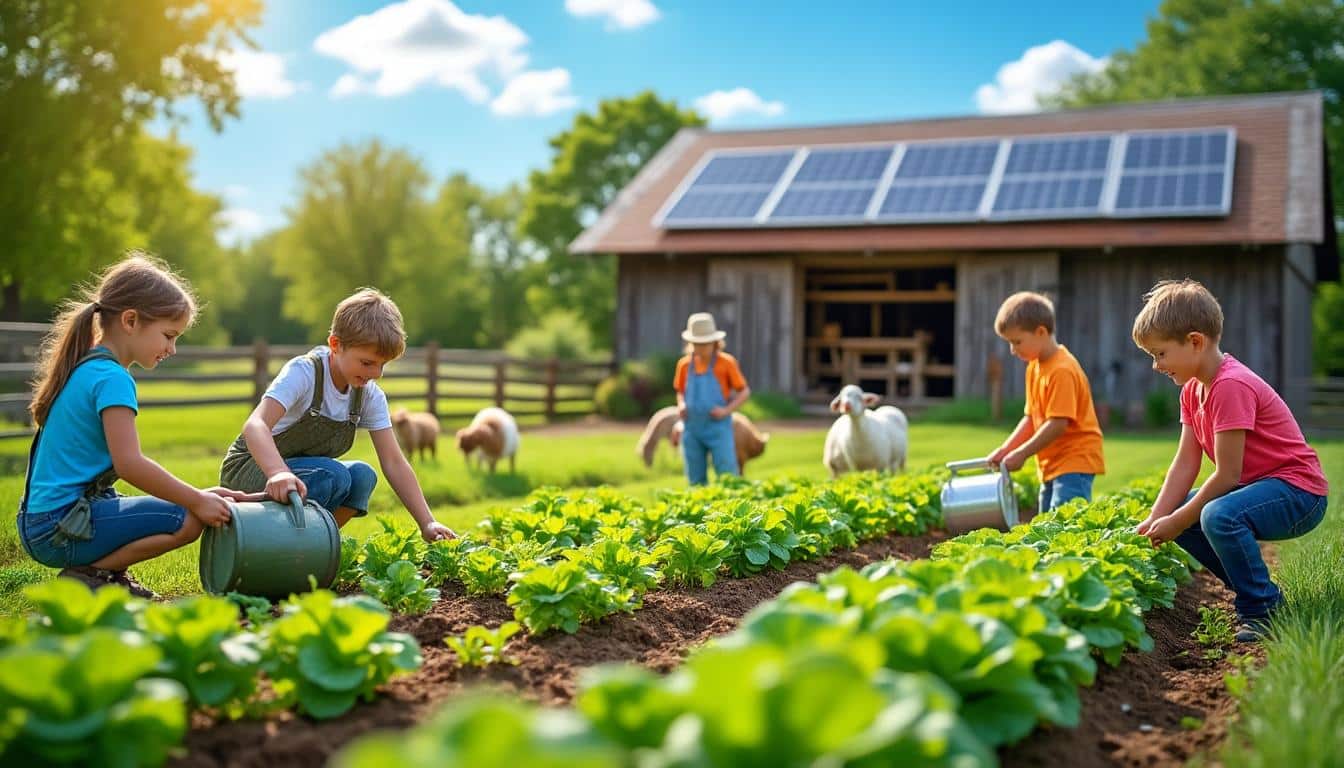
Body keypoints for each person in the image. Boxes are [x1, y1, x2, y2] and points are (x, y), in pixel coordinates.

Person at [17, 254, 255, 598]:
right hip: (59, 526)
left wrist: (200, 495)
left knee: (189, 507)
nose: (172, 349)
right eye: (168, 335)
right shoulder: (112, 378)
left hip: (43, 522)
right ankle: (94, 577)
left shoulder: (87, 365)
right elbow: (130, 465)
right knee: (188, 520)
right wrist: (197, 501)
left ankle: (102, 575)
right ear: (130, 320)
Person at [1132, 279, 1327, 642]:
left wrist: (1176, 520)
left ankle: (1262, 610)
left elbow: (1227, 475)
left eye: (1160, 354)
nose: (1156, 366)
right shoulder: (1192, 389)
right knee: (1188, 512)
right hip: (1265, 490)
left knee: (1216, 514)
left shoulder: (1230, 386)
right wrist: (1157, 518)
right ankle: (1255, 591)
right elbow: (1185, 463)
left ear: (1194, 342)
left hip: (1300, 494)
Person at [220, 288, 454, 543]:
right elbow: (255, 426)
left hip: (307, 475)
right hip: (250, 469)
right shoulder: (305, 372)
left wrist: (427, 522)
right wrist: (277, 472)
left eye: (382, 365)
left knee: (363, 476)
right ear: (335, 345)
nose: (376, 373)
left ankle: (317, 543)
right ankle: (261, 529)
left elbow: (394, 462)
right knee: (335, 475)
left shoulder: (367, 394)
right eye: (367, 363)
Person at [987, 291, 1106, 510]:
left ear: (1041, 332)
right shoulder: (1034, 366)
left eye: (1017, 341)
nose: (1012, 350)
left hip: (1075, 460)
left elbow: (1057, 424)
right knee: (1046, 524)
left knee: (1065, 523)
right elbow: (1032, 417)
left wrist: (1022, 454)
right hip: (1052, 463)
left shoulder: (1062, 370)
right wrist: (1006, 450)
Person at [673, 312, 751, 486]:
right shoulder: (684, 365)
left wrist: (726, 411)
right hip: (692, 429)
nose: (700, 348)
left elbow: (744, 392)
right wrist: (681, 404)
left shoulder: (726, 363)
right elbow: (680, 391)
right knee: (695, 479)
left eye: (704, 344)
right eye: (697, 344)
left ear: (715, 342)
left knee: (727, 476)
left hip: (718, 428)